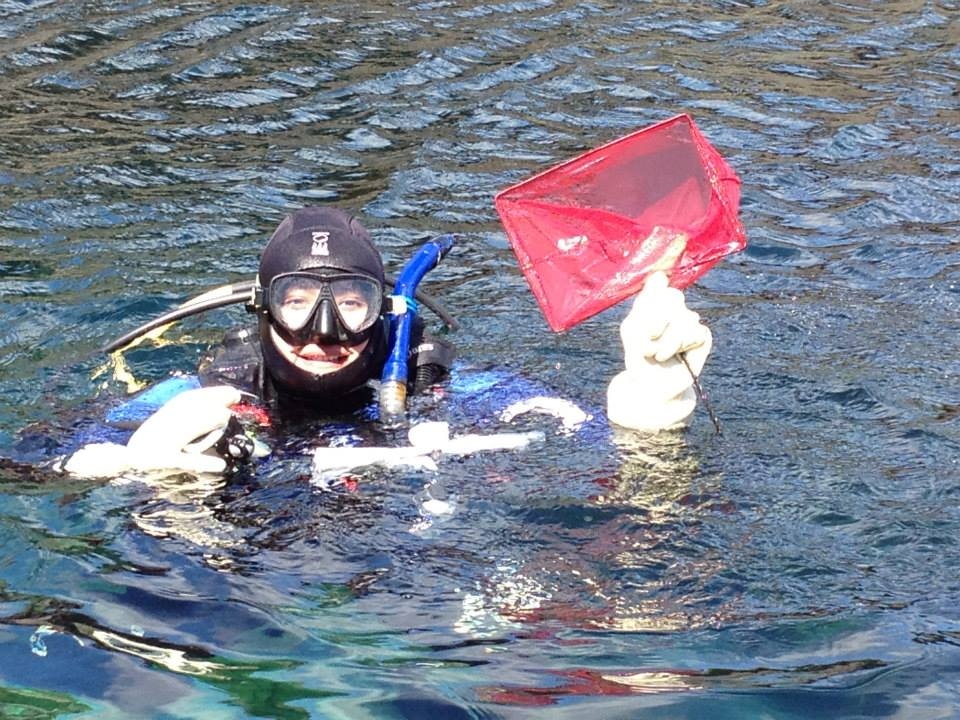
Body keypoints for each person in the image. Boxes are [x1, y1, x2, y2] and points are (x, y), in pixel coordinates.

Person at [60, 206, 713, 479]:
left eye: (351, 304)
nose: (323, 331)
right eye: (296, 302)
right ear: (260, 308)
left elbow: (597, 449)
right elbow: (28, 465)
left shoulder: (448, 389)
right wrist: (116, 465)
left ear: (384, 310)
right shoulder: (197, 397)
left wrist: (651, 414)